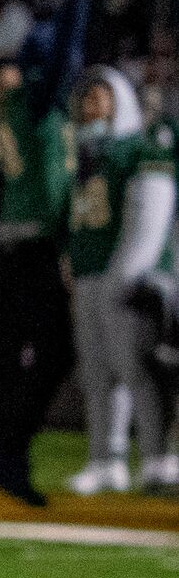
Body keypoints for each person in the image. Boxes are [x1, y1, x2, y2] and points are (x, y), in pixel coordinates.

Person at [0, 0, 87, 505]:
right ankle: (6, 452)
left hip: (16, 247)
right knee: (50, 354)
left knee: (9, 357)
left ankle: (0, 453)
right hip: (35, 249)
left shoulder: (22, 104)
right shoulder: (38, 101)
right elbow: (64, 51)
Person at [63, 66, 175, 492]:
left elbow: (153, 211)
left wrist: (130, 270)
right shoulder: (87, 153)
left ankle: (157, 457)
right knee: (95, 371)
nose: (92, 106)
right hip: (90, 272)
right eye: (86, 98)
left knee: (137, 366)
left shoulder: (138, 148)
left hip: (128, 276)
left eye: (101, 97)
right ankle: (105, 459)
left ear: (119, 100)